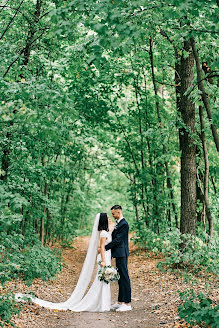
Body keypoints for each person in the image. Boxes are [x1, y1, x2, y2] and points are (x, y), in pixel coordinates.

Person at [15, 213, 113, 312]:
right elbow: (102, 247)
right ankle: (99, 304)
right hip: (104, 258)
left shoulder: (103, 231)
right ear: (104, 220)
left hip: (106, 257)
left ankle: (102, 303)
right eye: (108, 217)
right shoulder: (103, 233)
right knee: (101, 280)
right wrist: (104, 261)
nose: (110, 219)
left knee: (103, 280)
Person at [103, 205, 132, 312]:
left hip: (122, 253)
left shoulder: (124, 224)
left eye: (113, 214)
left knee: (124, 277)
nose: (113, 215)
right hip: (118, 253)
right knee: (120, 277)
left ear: (119, 212)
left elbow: (118, 240)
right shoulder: (119, 224)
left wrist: (105, 247)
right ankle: (120, 302)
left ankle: (127, 303)